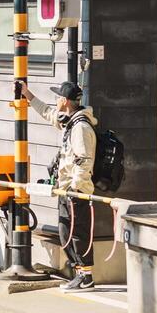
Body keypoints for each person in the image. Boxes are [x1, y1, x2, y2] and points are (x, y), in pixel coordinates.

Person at [24, 80, 98, 290]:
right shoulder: (70, 121)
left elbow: (84, 159)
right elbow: (48, 113)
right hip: (66, 190)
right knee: (66, 232)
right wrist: (28, 95)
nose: (55, 100)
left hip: (77, 191)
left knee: (78, 233)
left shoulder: (81, 127)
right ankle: (79, 273)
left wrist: (76, 187)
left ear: (64, 101)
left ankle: (86, 276)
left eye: (58, 97)